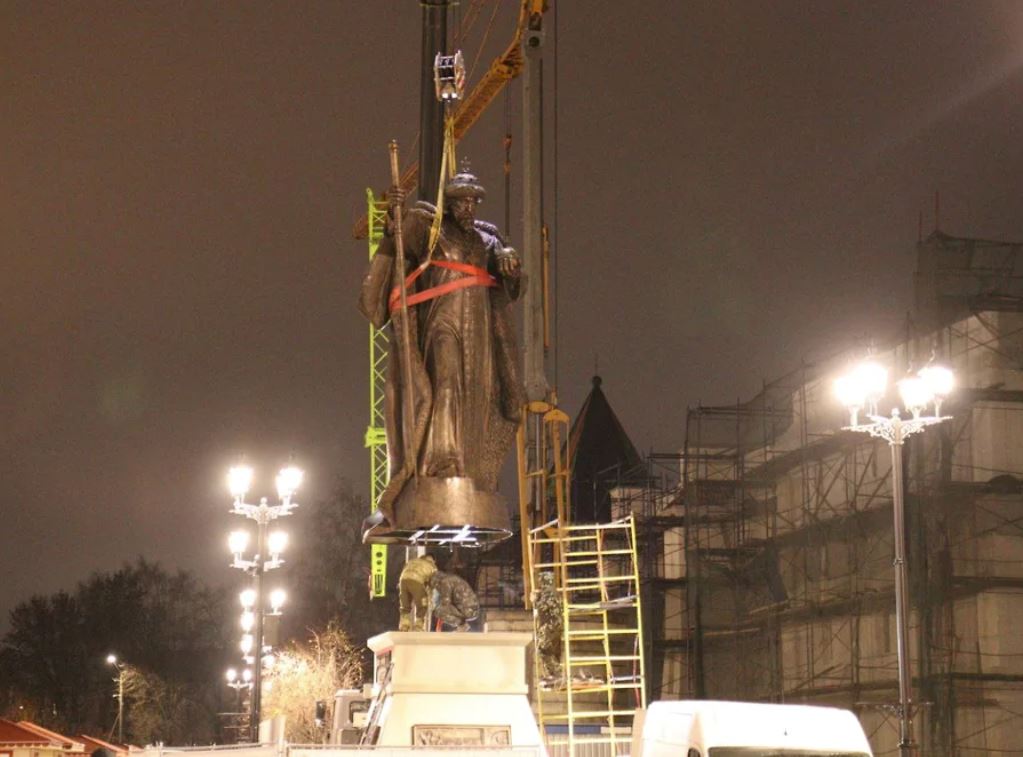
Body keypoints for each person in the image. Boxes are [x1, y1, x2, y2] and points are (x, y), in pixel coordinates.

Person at [358, 169, 524, 528]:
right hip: (441, 320)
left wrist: (510, 264)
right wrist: (394, 217)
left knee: (475, 393)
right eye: (462, 201)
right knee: (445, 384)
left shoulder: (486, 238)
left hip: (478, 324)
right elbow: (399, 237)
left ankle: (468, 467)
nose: (469, 207)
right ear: (449, 203)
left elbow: (510, 279)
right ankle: (440, 461)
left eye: (473, 201)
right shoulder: (431, 228)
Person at [398, 554, 438, 631]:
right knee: (422, 605)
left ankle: (404, 625)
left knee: (405, 605)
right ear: (433, 560)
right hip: (417, 580)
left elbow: (404, 570)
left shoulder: (412, 561)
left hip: (403, 581)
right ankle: (418, 626)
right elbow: (432, 583)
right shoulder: (432, 566)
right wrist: (431, 598)